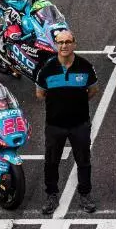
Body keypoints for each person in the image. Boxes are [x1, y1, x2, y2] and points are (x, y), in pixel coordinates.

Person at [36, 28, 101, 214]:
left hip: (80, 124)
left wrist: (75, 103)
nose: (64, 45)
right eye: (60, 42)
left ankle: (85, 195)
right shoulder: (47, 69)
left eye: (67, 42)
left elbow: (93, 90)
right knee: (51, 162)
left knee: (83, 161)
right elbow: (40, 93)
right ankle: (51, 195)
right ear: (56, 45)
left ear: (74, 44)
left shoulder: (85, 66)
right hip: (54, 126)